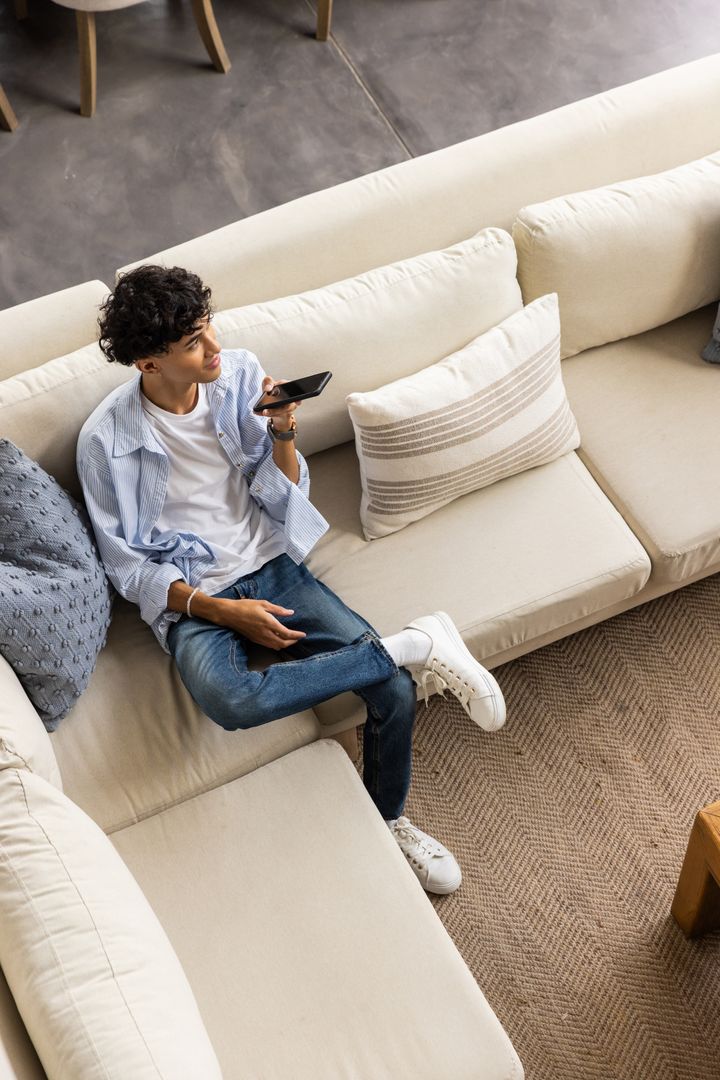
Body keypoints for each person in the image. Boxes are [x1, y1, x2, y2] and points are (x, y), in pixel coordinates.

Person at [77, 265, 506, 896]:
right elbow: (127, 567)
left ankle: (391, 821)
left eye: (208, 326)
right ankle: (412, 643)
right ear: (148, 362)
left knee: (392, 692)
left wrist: (283, 431)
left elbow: (283, 497)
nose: (215, 347)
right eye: (194, 342)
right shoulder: (106, 442)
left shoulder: (238, 377)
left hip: (272, 562)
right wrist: (226, 614)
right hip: (195, 596)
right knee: (230, 699)